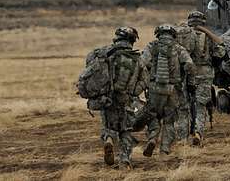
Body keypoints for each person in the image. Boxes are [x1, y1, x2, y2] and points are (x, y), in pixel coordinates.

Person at [80, 27, 147, 169]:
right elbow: (144, 80)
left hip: (106, 98)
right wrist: (134, 91)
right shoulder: (137, 59)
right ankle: (125, 161)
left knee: (108, 126)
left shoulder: (103, 53)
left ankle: (109, 140)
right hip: (126, 100)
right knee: (125, 131)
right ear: (132, 40)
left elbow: (89, 68)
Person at [140, 25, 196, 155]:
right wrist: (189, 78)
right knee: (169, 120)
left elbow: (142, 62)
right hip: (173, 90)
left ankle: (153, 138)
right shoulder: (178, 48)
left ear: (158, 34)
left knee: (153, 116)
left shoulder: (152, 46)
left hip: (154, 88)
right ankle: (164, 149)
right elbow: (189, 64)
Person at [177, 10, 225, 147]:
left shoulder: (181, 35)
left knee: (183, 106)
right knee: (201, 105)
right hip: (204, 73)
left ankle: (182, 137)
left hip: (186, 74)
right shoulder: (208, 36)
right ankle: (198, 133)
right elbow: (221, 50)